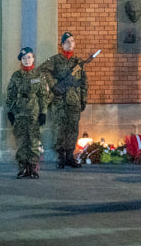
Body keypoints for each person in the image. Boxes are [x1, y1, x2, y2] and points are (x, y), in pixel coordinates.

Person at [41, 32, 88, 169]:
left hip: (74, 100)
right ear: (62, 44)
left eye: (72, 41)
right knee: (60, 128)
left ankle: (69, 156)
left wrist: (83, 99)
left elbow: (84, 82)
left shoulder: (78, 63)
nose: (70, 43)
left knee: (73, 129)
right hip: (59, 101)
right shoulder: (55, 60)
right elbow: (43, 70)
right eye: (67, 41)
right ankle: (61, 156)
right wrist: (54, 84)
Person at [6, 47, 49, 179]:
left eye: (29, 57)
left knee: (34, 140)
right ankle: (23, 167)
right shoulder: (16, 76)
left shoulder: (39, 76)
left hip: (34, 112)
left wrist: (43, 112)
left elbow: (43, 96)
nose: (26, 60)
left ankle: (33, 167)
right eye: (24, 58)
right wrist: (10, 111)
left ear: (33, 58)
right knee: (21, 140)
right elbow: (10, 95)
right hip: (19, 112)